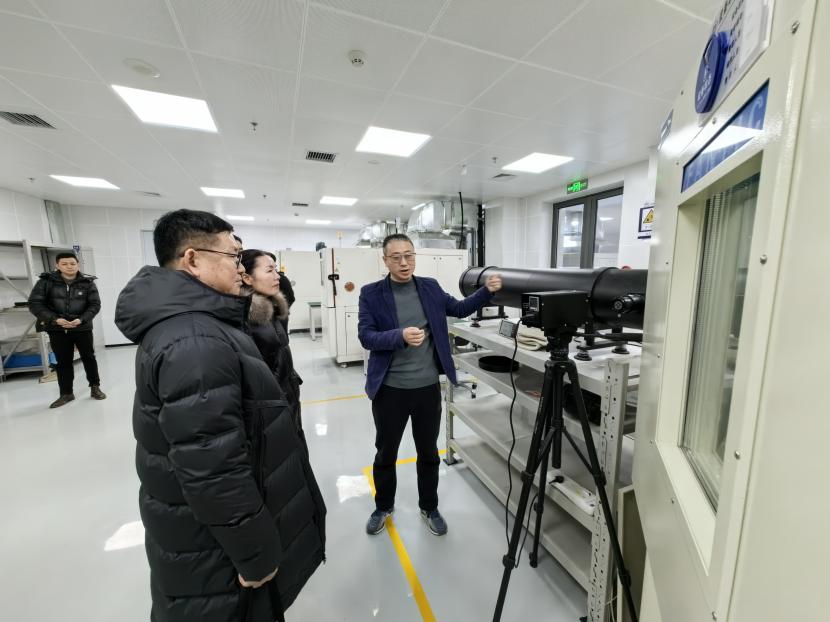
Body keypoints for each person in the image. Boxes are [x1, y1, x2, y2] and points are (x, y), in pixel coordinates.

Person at [114, 209, 325, 622]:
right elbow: (213, 467)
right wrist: (255, 555)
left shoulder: (201, 325)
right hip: (215, 553)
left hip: (205, 539)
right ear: (192, 259)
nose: (240, 268)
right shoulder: (194, 339)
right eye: (233, 256)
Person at [358, 234, 501, 536]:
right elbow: (366, 336)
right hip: (390, 390)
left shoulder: (430, 287)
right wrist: (399, 336)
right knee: (386, 453)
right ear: (385, 261)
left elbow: (459, 309)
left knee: (428, 452)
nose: (404, 262)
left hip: (426, 389)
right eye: (396, 257)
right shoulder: (371, 294)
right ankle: (383, 506)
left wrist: (486, 291)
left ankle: (429, 506)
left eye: (409, 255)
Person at [27, 252, 105, 408]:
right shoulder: (46, 282)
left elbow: (95, 305)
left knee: (89, 358)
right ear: (57, 265)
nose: (69, 266)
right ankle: (66, 393)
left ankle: (95, 387)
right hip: (57, 328)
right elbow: (35, 304)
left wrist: (81, 319)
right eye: (64, 264)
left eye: (72, 263)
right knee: (63, 362)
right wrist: (54, 319)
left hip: (82, 327)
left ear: (78, 265)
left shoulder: (87, 283)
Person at [240, 249, 303, 431]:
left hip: (287, 395)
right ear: (247, 278)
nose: (277, 277)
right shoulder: (246, 319)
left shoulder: (271, 310)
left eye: (276, 269)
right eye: (269, 271)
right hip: (270, 407)